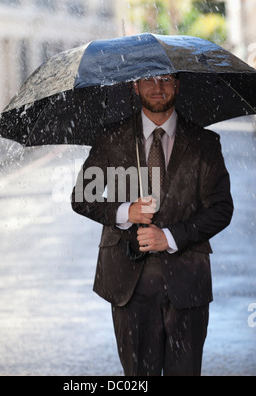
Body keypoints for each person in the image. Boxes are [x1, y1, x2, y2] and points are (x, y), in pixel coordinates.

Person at [71, 74, 234, 376]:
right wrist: (126, 212)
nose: (157, 87)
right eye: (149, 79)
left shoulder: (205, 143)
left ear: (177, 84)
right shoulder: (112, 138)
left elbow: (222, 208)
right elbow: (82, 197)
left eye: (166, 79)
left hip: (187, 282)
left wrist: (170, 236)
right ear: (134, 85)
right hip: (128, 283)